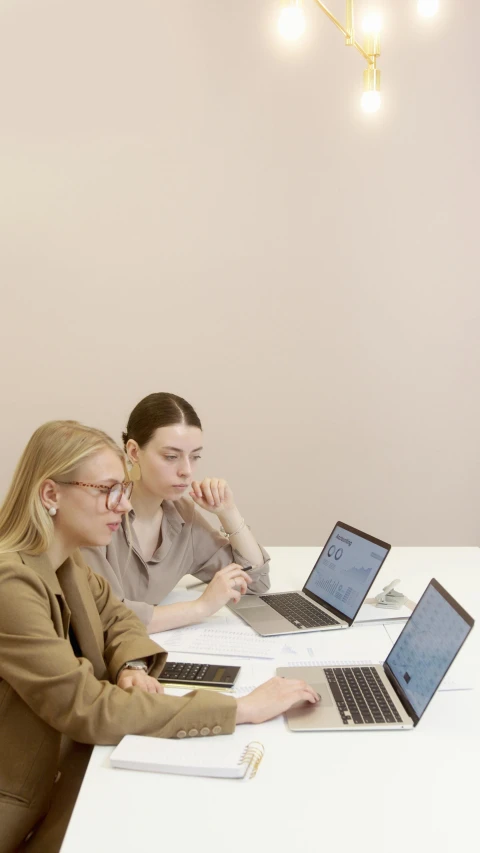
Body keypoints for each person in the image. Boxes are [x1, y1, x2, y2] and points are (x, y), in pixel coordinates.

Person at [0, 420, 318, 853]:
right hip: (23, 807)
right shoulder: (10, 585)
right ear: (51, 494)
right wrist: (239, 708)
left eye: (123, 490)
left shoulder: (66, 562)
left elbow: (119, 620)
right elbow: (86, 707)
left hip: (69, 769)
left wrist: (130, 666)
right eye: (107, 490)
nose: (122, 505)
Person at [83, 392, 271, 633]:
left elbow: (256, 581)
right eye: (171, 457)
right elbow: (105, 619)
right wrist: (201, 607)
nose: (186, 470)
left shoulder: (183, 516)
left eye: (195, 457)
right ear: (133, 452)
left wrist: (228, 512)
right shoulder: (98, 515)